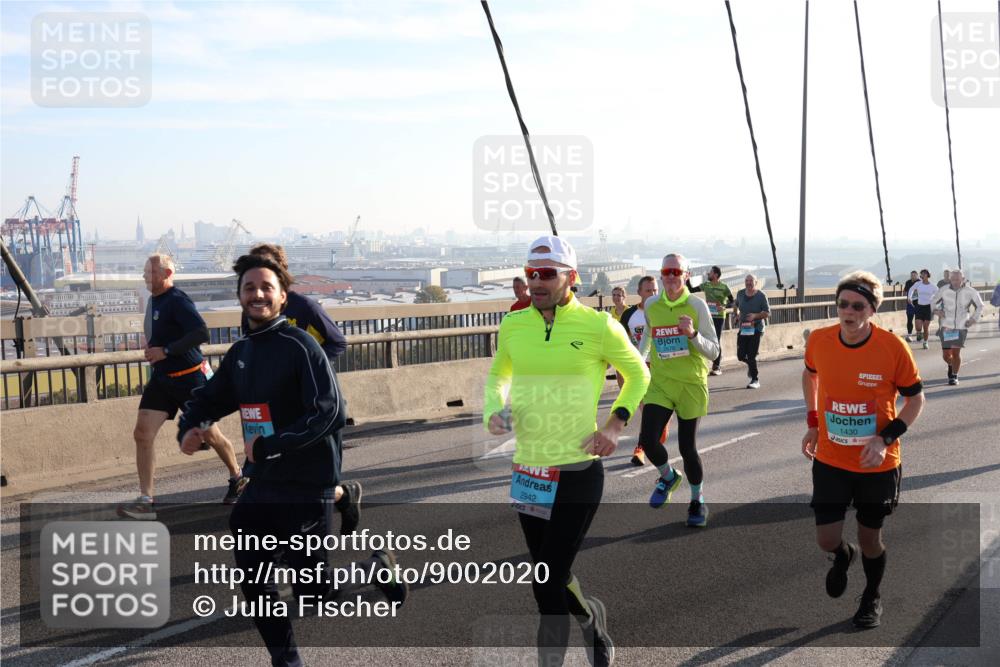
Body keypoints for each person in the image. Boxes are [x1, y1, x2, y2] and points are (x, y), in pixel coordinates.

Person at [179, 254, 407, 667]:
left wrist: (272, 444)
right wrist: (191, 425)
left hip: (306, 482)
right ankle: (287, 662)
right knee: (254, 580)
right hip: (263, 482)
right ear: (240, 296)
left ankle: (374, 568)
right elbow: (211, 397)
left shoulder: (301, 346)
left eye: (266, 287)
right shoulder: (242, 350)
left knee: (315, 591)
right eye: (249, 288)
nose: (257, 294)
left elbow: (329, 412)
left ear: (283, 296)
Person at [484, 235, 649, 667]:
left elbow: (638, 374)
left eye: (546, 274)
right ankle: (590, 617)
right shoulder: (513, 324)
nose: (536, 282)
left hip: (578, 470)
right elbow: (499, 374)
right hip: (530, 473)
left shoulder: (598, 326)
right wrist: (493, 410)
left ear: (570, 277)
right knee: (547, 578)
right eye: (530, 273)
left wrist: (615, 423)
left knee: (549, 578)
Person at [801, 271, 925, 629]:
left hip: (876, 464)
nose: (849, 311)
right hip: (831, 458)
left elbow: (916, 400)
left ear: (872, 310)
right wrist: (813, 423)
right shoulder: (820, 340)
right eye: (843, 304)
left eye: (858, 306)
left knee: (870, 538)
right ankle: (843, 556)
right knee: (826, 539)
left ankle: (871, 595)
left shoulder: (892, 347)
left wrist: (884, 439)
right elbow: (810, 375)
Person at [118, 254, 243, 520]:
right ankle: (146, 501)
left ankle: (237, 477)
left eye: (150, 272)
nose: (145, 276)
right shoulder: (154, 300)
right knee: (142, 434)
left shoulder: (178, 300)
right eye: (145, 272)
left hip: (190, 378)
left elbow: (201, 333)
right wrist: (154, 349)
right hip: (162, 379)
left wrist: (166, 350)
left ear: (166, 274)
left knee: (211, 436)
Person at [245, 244, 360, 533]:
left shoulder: (304, 307)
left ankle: (342, 498)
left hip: (311, 403)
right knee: (276, 472)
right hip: (272, 403)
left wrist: (309, 368)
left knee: (312, 476)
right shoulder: (254, 310)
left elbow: (337, 342)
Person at [637, 253, 720, 528]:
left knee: (687, 448)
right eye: (666, 271)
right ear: (660, 275)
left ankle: (697, 501)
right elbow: (648, 336)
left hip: (690, 384)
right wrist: (638, 364)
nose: (671, 276)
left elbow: (715, 351)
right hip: (661, 383)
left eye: (676, 271)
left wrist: (693, 334)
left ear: (686, 275)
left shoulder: (697, 305)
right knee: (648, 440)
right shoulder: (651, 304)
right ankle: (669, 477)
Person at [616, 276, 663, 466]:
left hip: (662, 368)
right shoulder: (629, 315)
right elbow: (621, 344)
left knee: (659, 417)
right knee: (648, 412)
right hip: (641, 368)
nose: (653, 294)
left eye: (655, 290)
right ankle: (642, 447)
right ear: (639, 292)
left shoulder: (664, 311)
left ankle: (649, 445)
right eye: (648, 290)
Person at [930, 268, 984, 386]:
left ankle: (954, 375)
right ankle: (951, 364)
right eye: (953, 279)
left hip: (961, 326)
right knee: (946, 355)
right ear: (950, 279)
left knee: (955, 352)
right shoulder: (944, 290)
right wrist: (936, 311)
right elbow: (933, 301)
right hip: (946, 326)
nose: (955, 281)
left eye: (958, 279)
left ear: (963, 279)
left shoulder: (970, 291)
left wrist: (973, 319)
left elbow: (980, 306)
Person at [734, 273, 770, 389]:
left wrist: (755, 316)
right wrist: (736, 315)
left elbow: (767, 313)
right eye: (747, 281)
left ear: (756, 282)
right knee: (740, 356)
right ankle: (751, 364)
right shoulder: (740, 294)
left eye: (751, 281)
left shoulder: (761, 296)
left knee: (751, 355)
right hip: (744, 328)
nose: (748, 283)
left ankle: (755, 379)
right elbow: (736, 305)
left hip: (756, 329)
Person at [700, 265, 735, 375]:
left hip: (719, 317)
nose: (708, 274)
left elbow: (732, 302)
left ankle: (717, 366)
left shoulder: (724, 287)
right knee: (705, 338)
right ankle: (706, 363)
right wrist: (686, 280)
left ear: (715, 275)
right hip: (708, 316)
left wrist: (724, 307)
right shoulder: (706, 285)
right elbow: (691, 289)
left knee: (716, 339)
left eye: (710, 272)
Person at [907, 269, 937, 349]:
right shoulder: (918, 284)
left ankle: (925, 342)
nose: (922, 275)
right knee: (918, 327)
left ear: (928, 275)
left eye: (924, 274)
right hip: (919, 307)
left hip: (928, 308)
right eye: (921, 274)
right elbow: (911, 289)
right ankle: (919, 333)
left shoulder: (933, 286)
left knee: (925, 327)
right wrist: (909, 297)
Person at [902, 270, 919, 342]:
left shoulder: (920, 282)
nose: (913, 277)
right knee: (909, 319)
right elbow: (905, 291)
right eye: (912, 275)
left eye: (914, 275)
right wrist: (907, 295)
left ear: (917, 276)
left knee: (918, 320)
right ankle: (909, 335)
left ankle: (919, 334)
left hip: (918, 304)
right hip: (910, 303)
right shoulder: (908, 282)